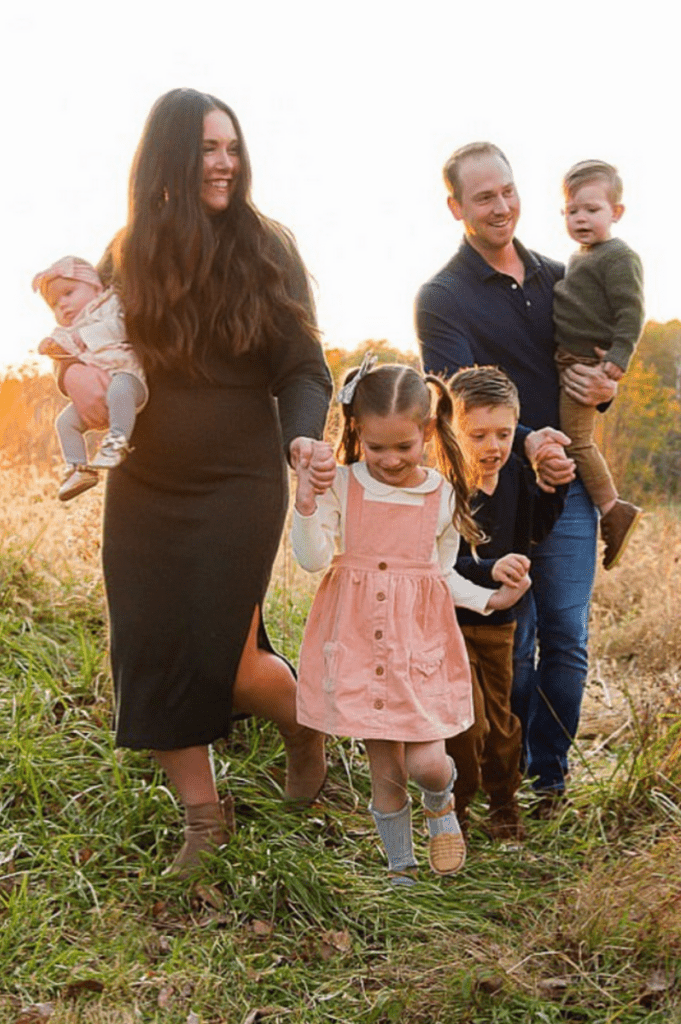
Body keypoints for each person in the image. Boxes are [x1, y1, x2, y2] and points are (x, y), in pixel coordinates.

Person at [58, 88, 335, 877]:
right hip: (145, 480)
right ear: (169, 161)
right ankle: (204, 822)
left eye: (232, 148)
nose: (223, 163)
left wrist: (302, 439)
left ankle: (305, 727)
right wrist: (72, 384)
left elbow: (302, 366)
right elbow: (92, 350)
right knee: (148, 646)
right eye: (208, 148)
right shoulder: (126, 252)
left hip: (238, 477)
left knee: (235, 662)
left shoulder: (265, 247)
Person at [415, 142, 617, 809]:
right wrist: (530, 444)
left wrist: (601, 383)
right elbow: (454, 400)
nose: (500, 206)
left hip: (567, 486)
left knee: (566, 637)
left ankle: (548, 780)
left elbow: (585, 367)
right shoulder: (440, 297)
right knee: (513, 641)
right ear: (455, 208)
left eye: (506, 191)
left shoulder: (562, 276)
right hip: (494, 493)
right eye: (482, 197)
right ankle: (501, 782)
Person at [291, 359, 528, 885]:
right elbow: (312, 559)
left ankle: (440, 802)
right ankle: (401, 867)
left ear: (426, 431)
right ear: (356, 432)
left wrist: (491, 600)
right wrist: (305, 503)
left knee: (425, 764)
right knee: (386, 773)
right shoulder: (342, 485)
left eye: (404, 447)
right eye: (377, 448)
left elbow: (441, 574)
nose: (390, 460)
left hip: (417, 646)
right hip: (359, 644)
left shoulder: (440, 494)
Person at [446, 367, 565, 841]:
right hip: (451, 621)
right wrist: (490, 568)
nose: (492, 446)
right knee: (465, 722)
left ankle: (503, 803)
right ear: (452, 431)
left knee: (502, 720)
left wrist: (553, 491)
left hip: (500, 623)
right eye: (478, 435)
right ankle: (454, 808)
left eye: (503, 433)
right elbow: (441, 562)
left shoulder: (514, 473)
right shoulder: (445, 485)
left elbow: (532, 534)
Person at [554, 159, 644, 570]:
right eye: (573, 210)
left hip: (586, 366)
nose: (581, 218)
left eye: (592, 209)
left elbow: (630, 312)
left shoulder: (619, 256)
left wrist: (617, 362)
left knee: (577, 439)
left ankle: (613, 509)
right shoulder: (579, 257)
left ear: (616, 212)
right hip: (566, 360)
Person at [33, 256, 148, 501]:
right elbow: (63, 355)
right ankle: (77, 468)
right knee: (64, 422)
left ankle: (117, 441)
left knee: (120, 389)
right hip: (97, 391)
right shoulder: (67, 330)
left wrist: (81, 337)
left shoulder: (110, 304)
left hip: (128, 377)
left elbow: (121, 327)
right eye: (54, 304)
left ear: (95, 286)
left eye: (69, 293)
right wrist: (52, 347)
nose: (62, 305)